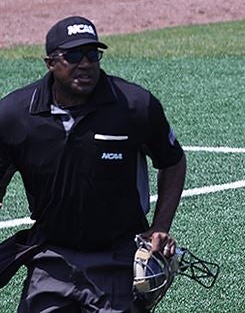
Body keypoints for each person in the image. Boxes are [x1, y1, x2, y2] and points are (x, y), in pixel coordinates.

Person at [0, 16, 187, 310]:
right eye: (73, 55)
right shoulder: (16, 114)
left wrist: (161, 225)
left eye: (92, 54)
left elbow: (173, 161)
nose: (85, 63)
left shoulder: (134, 106)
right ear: (50, 62)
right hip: (50, 258)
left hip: (118, 257)